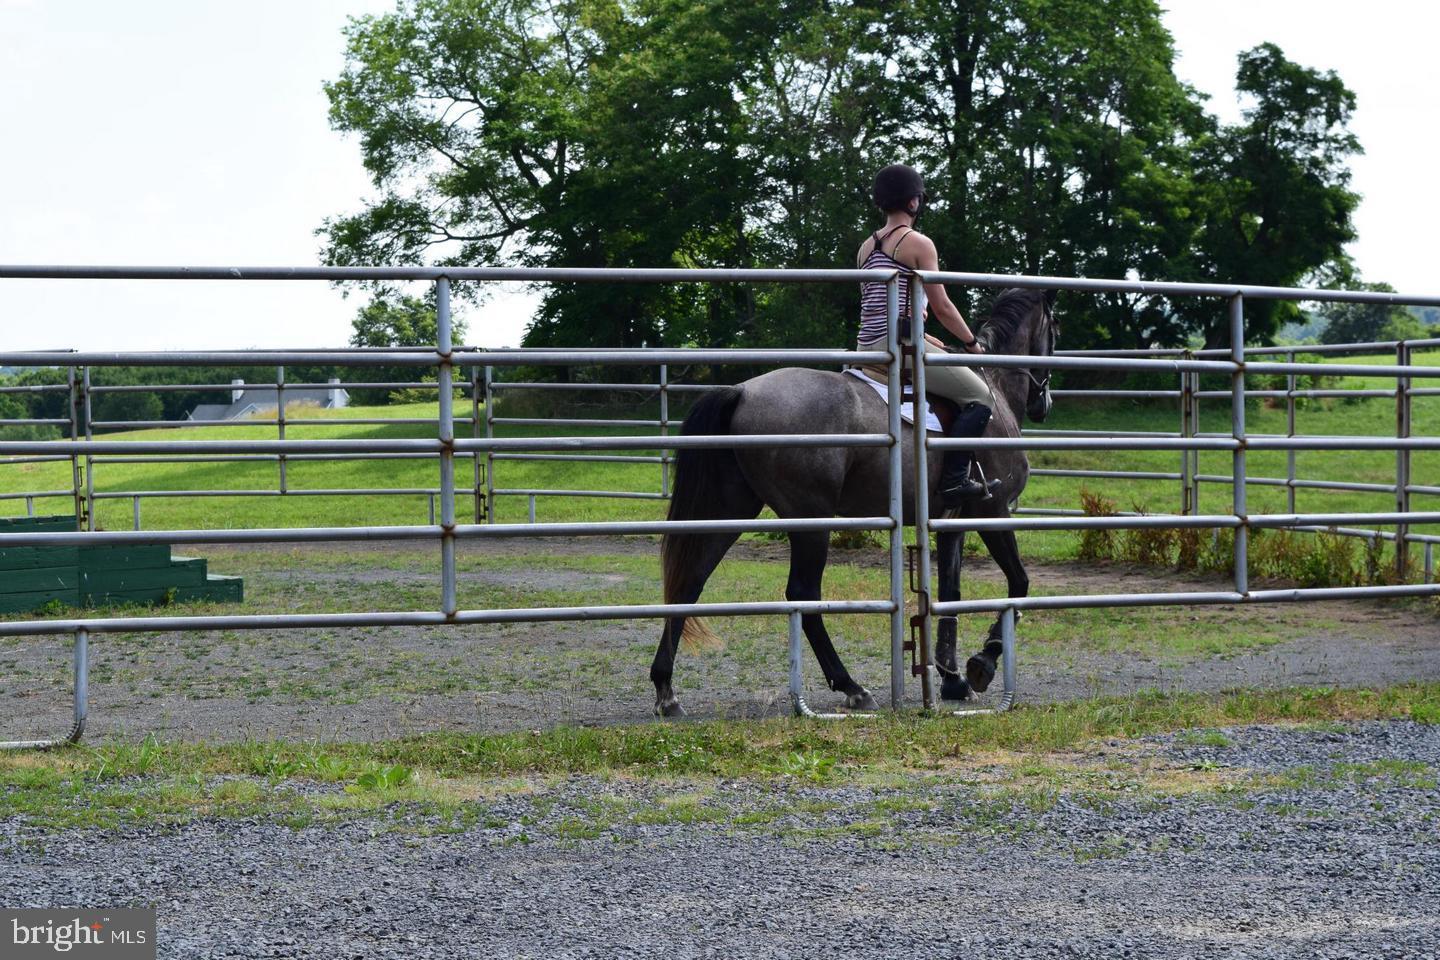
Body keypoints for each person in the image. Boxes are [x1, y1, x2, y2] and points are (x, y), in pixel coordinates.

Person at [856, 163, 999, 504]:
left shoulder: (865, 247)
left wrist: (925, 335)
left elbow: (878, 305)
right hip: (901, 346)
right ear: (913, 202)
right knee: (981, 398)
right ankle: (953, 482)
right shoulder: (918, 243)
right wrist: (971, 343)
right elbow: (943, 306)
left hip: (866, 346)